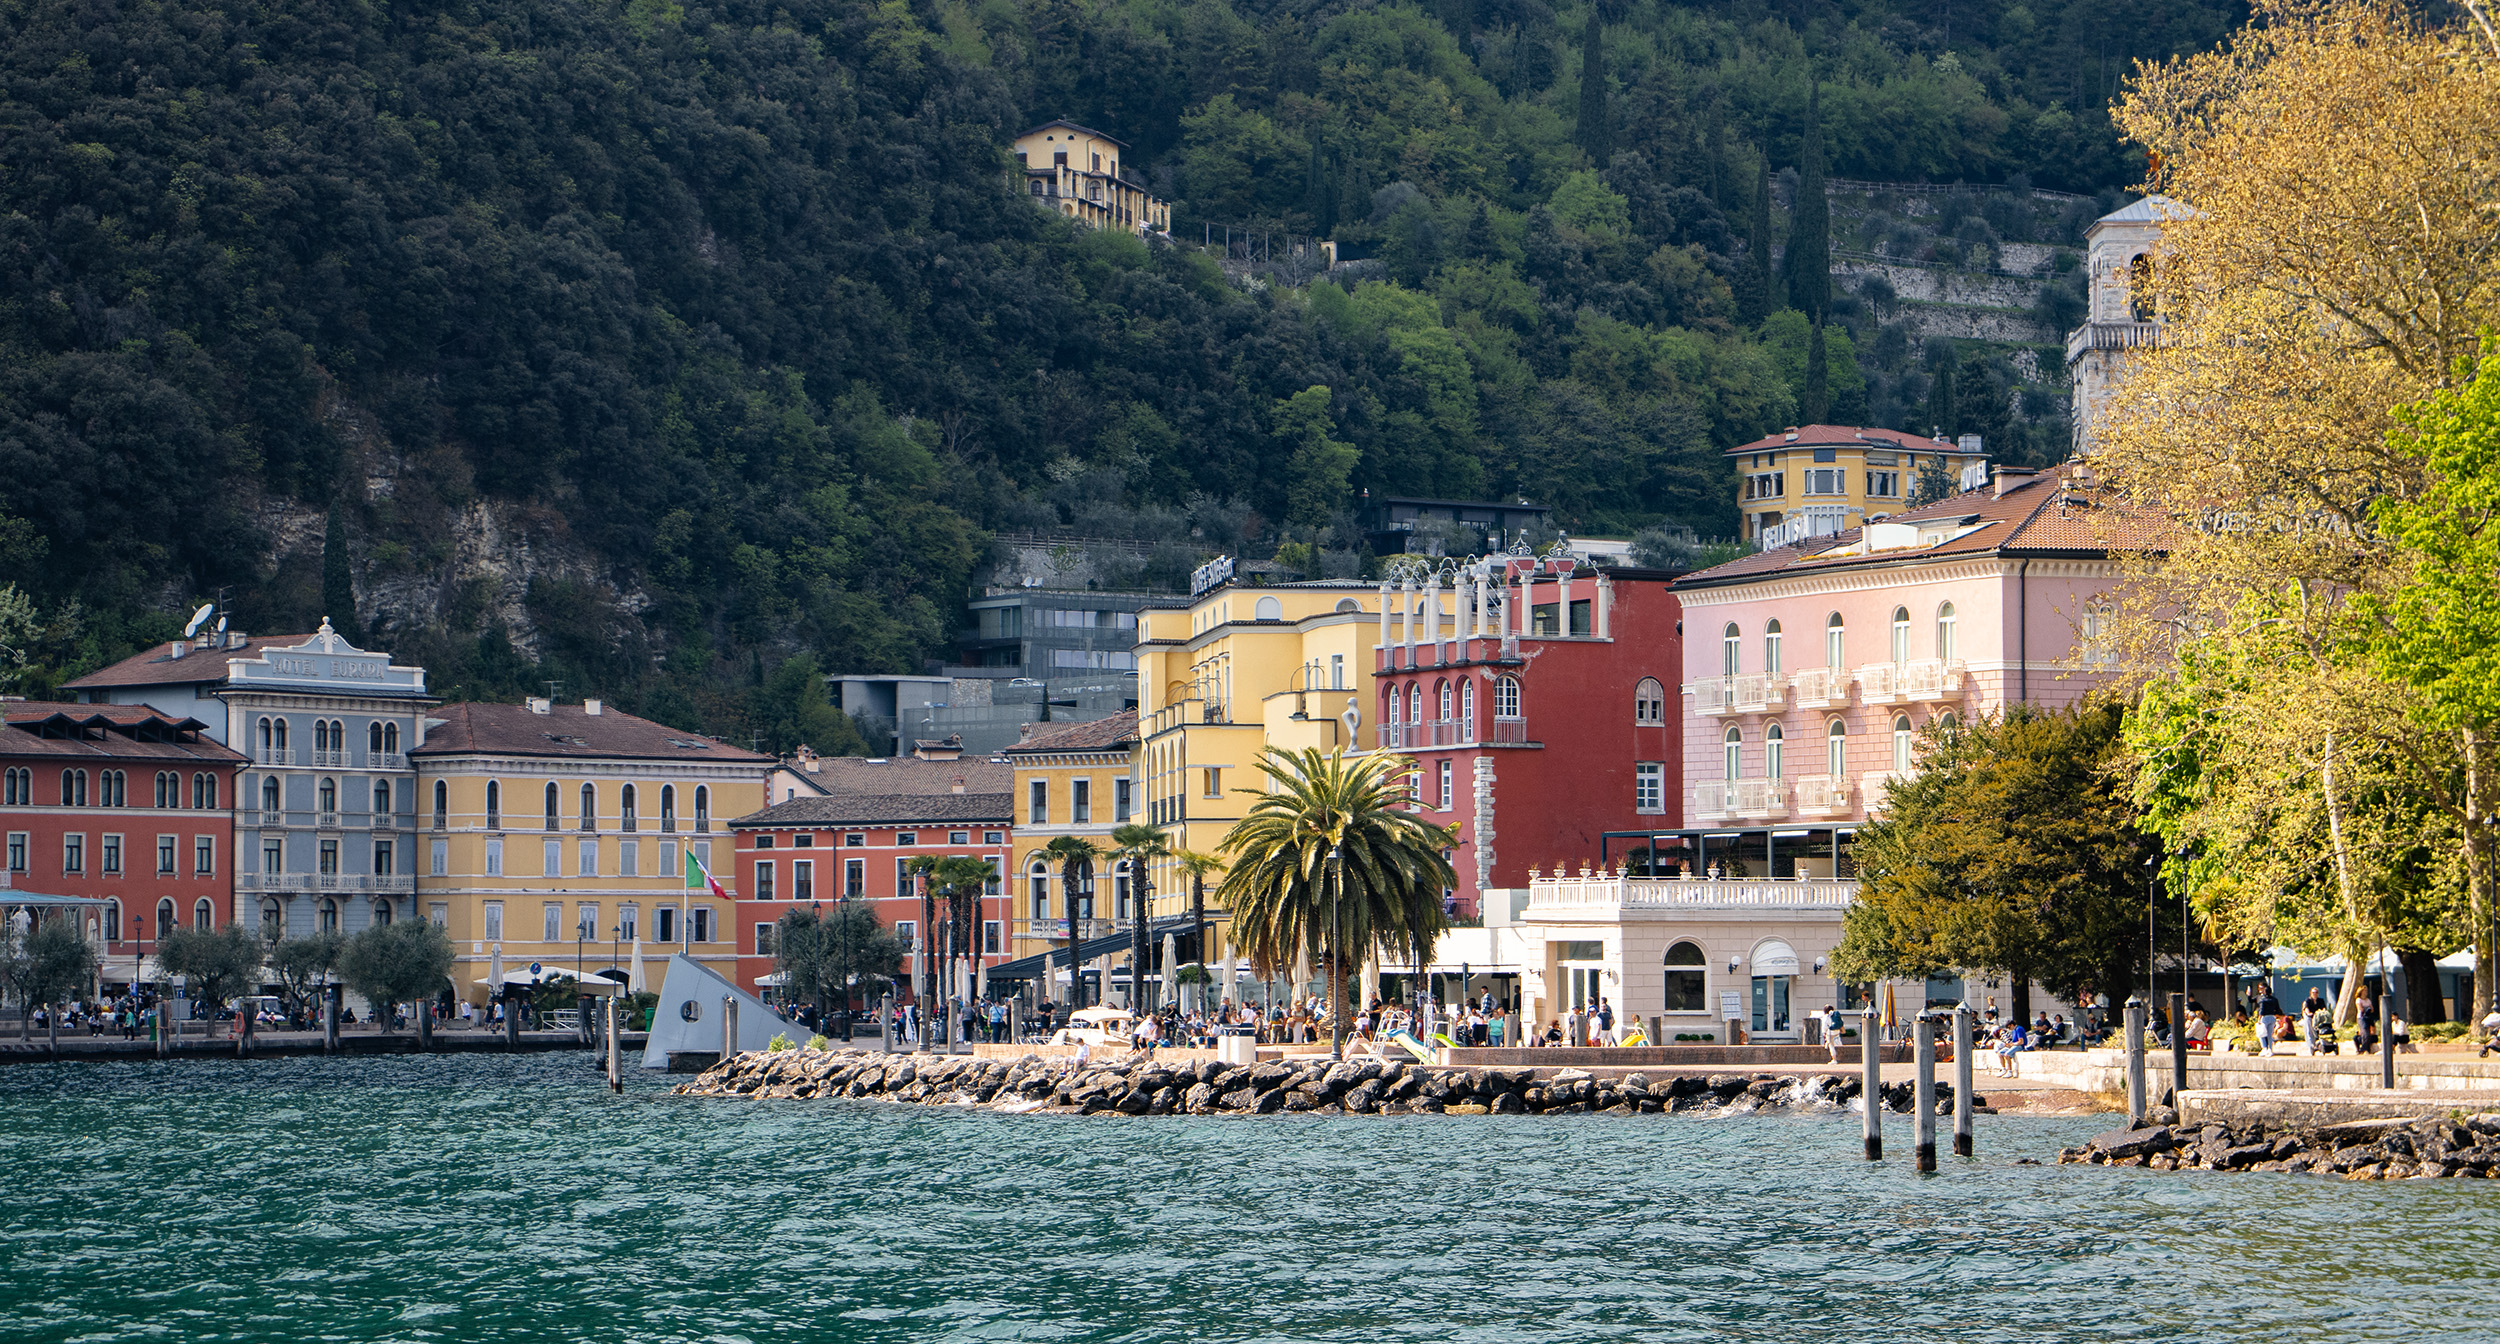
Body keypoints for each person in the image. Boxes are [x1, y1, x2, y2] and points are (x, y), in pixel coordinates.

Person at [2256, 985, 2282, 1056]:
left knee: (2262, 1033)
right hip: (2272, 1017)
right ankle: (2270, 1049)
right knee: (2270, 1035)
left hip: (2265, 1017)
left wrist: (2259, 1019)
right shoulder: (2275, 1000)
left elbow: (2261, 1010)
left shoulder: (2263, 1000)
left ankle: (2264, 1048)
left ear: (2265, 992)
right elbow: (2277, 1009)